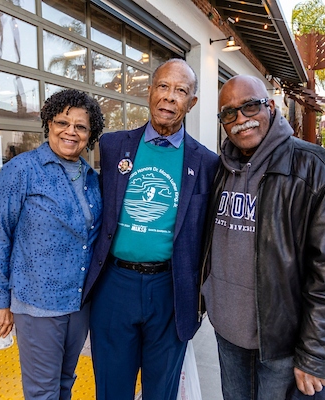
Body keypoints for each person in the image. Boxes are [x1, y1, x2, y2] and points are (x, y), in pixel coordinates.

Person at [201, 75, 325, 399]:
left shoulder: (315, 169)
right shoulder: (220, 170)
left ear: (271, 107)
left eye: (250, 106)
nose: (240, 119)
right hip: (227, 335)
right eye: (229, 113)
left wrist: (315, 354)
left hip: (282, 344)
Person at [82, 58, 220, 400]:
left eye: (180, 91)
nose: (169, 97)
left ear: (192, 102)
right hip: (114, 285)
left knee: (162, 391)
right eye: (163, 86)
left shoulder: (206, 162)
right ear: (149, 93)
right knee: (111, 389)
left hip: (170, 290)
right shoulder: (113, 147)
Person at [0, 88, 104, 400]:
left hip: (79, 302)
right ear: (49, 123)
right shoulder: (22, 170)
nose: (70, 131)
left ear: (90, 134)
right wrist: (2, 302)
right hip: (38, 302)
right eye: (63, 122)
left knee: (65, 381)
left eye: (81, 126)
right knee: (42, 391)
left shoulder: (91, 177)